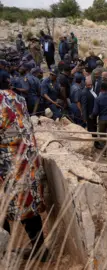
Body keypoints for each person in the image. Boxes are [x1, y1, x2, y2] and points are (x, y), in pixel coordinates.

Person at [0, 88, 49, 262]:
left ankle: (3, 254)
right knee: (28, 210)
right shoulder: (14, 96)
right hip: (28, 164)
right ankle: (40, 250)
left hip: (9, 170)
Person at [80, 76, 102, 149]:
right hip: (90, 115)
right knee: (91, 129)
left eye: (91, 85)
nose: (90, 86)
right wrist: (85, 117)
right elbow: (84, 106)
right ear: (85, 85)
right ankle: (95, 143)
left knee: (95, 128)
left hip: (94, 114)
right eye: (88, 85)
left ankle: (96, 142)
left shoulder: (92, 90)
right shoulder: (84, 93)